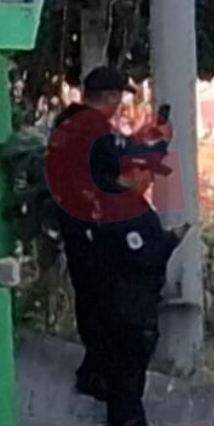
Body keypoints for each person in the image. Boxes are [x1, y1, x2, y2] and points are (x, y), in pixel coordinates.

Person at [42, 67, 171, 402]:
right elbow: (121, 173)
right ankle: (99, 374)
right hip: (95, 226)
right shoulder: (92, 128)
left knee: (91, 297)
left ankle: (95, 370)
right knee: (107, 303)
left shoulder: (68, 123)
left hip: (75, 222)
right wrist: (152, 154)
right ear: (111, 97)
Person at [89, 152, 188, 426]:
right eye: (147, 174)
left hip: (114, 295)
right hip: (131, 298)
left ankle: (117, 420)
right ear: (131, 172)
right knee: (132, 364)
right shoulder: (126, 209)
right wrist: (168, 242)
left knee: (119, 362)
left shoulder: (108, 202)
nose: (150, 181)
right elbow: (141, 257)